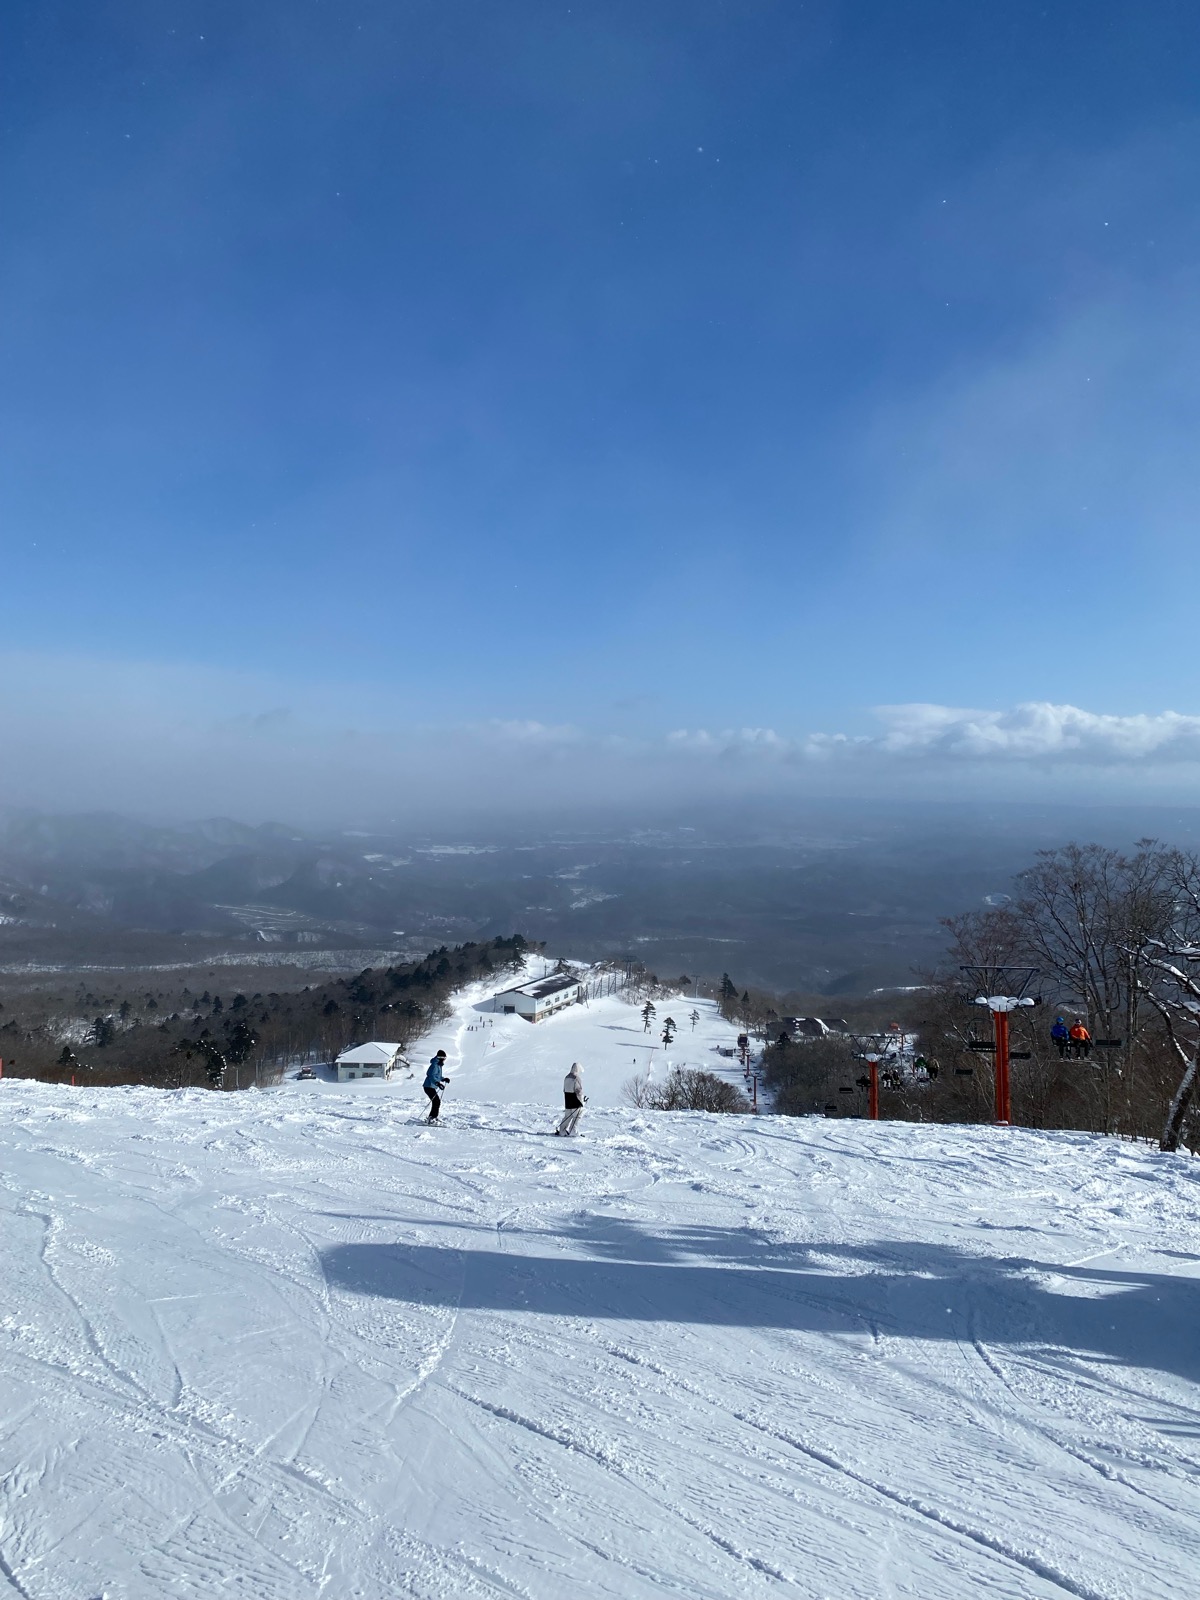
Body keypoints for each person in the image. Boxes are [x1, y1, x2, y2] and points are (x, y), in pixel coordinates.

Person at [556, 1062, 587, 1136]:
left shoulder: (566, 1077)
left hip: (567, 1099)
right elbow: (579, 1091)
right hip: (575, 1100)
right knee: (578, 1114)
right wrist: (582, 1101)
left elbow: (564, 1089)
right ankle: (573, 1131)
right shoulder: (576, 1078)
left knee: (568, 1116)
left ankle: (562, 1131)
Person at [423, 1049, 450, 1121]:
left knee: (436, 1101)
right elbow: (431, 1076)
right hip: (428, 1086)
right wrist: (437, 1083)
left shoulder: (438, 1064)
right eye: (444, 1058)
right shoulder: (435, 1065)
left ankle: (432, 1117)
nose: (444, 1059)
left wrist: (443, 1079)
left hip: (431, 1086)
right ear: (441, 1058)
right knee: (436, 1101)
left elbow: (437, 1076)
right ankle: (432, 1118)